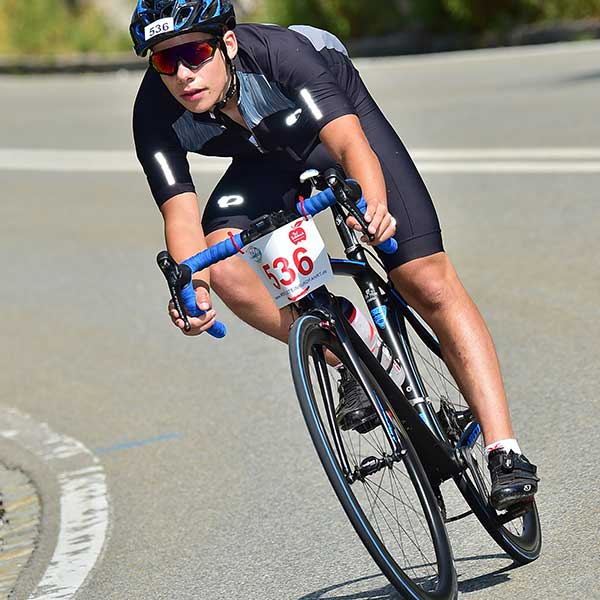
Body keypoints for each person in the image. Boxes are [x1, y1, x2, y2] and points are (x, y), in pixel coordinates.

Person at [131, 0, 539, 510]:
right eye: (166, 62)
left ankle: (505, 452)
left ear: (227, 44)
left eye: (195, 53)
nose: (184, 75)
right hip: (262, 158)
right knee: (220, 263)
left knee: (425, 280)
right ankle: (347, 346)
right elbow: (181, 217)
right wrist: (193, 289)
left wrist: (373, 206)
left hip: (335, 130)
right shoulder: (153, 112)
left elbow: (349, 144)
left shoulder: (282, 54)